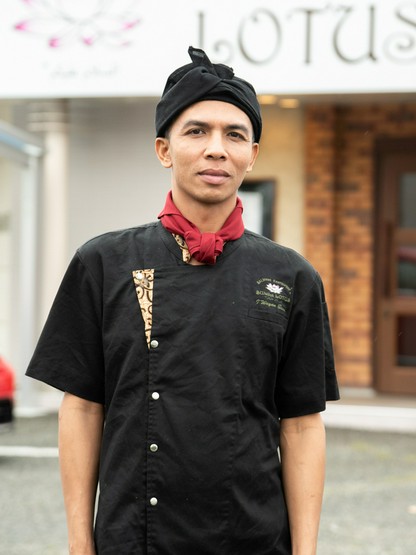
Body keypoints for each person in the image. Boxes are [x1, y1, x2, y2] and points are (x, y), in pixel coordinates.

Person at [26, 46, 339, 555]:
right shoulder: (103, 262)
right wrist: (80, 543)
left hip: (253, 540)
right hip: (133, 538)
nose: (216, 149)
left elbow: (302, 425)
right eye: (196, 131)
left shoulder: (290, 276)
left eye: (234, 134)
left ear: (252, 154)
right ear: (163, 150)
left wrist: (305, 551)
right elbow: (82, 408)